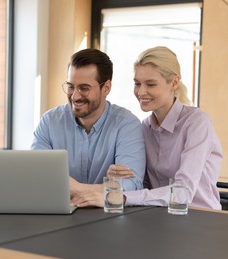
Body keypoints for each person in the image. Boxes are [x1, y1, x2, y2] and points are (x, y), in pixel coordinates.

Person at [107, 46, 223, 210]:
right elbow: (145, 186)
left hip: (201, 218)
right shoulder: (145, 127)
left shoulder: (197, 123)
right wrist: (119, 180)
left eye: (151, 84)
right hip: (160, 218)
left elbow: (183, 192)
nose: (141, 92)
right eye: (137, 83)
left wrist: (125, 197)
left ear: (174, 82)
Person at [31, 48, 146, 208]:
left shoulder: (126, 125)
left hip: (108, 220)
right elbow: (36, 176)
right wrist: (104, 188)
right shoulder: (50, 122)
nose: (75, 96)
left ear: (106, 88)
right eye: (71, 86)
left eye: (84, 88)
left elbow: (131, 186)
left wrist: (76, 188)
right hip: (58, 215)